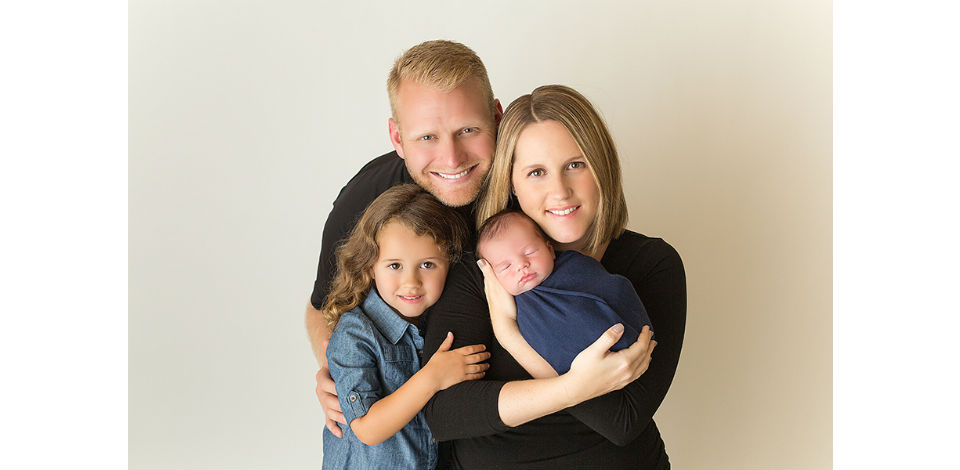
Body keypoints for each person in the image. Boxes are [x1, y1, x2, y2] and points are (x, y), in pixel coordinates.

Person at [306, 40, 657, 447]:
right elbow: (321, 307)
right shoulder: (369, 202)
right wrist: (341, 376)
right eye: (427, 137)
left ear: (496, 117)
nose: (452, 158)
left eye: (468, 131)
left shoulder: (528, 190)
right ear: (397, 137)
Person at [420, 85, 686, 468]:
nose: (560, 191)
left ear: (603, 167)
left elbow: (623, 421)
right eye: (537, 172)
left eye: (576, 165)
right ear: (511, 183)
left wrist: (513, 338)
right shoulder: (485, 268)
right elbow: (444, 413)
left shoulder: (652, 264)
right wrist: (572, 387)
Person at [320, 184, 491, 469]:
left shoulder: (442, 321)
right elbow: (367, 428)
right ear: (370, 265)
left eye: (427, 265)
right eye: (395, 266)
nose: (411, 282)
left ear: (449, 263)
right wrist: (432, 377)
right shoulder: (355, 334)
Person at [475, 209, 653, 375]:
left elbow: (615, 289)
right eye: (506, 267)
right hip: (581, 379)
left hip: (633, 344)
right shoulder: (517, 309)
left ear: (550, 250)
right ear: (492, 278)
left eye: (529, 252)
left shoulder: (576, 266)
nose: (522, 265)